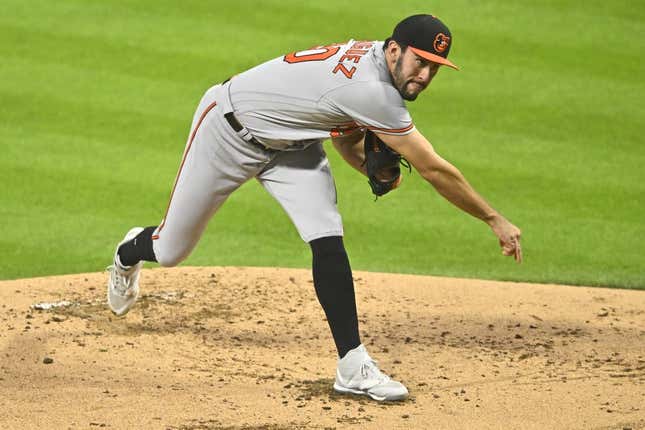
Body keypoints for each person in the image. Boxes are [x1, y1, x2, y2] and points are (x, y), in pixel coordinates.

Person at [107, 14, 522, 402]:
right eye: (420, 62)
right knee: (171, 249)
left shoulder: (374, 68)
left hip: (292, 147)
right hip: (228, 133)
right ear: (394, 50)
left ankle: (352, 366)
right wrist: (493, 218)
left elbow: (342, 135)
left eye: (434, 67)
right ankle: (128, 253)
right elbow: (433, 169)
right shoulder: (373, 91)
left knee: (327, 238)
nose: (425, 75)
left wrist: (367, 166)